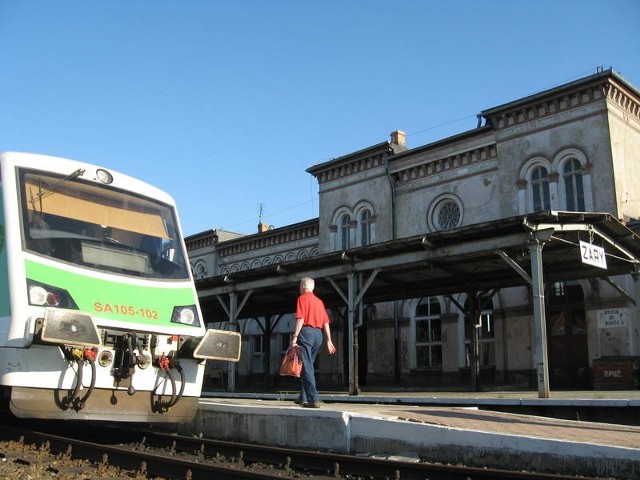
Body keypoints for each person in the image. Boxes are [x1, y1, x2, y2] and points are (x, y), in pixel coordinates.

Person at [291, 277, 336, 408]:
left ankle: (314, 398)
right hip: (318, 335)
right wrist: (329, 340)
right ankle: (303, 397)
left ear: (303, 286)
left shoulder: (302, 299)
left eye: (300, 286)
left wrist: (294, 337)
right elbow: (326, 322)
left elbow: (300, 319)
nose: (299, 288)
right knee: (308, 365)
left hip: (306, 333)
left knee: (306, 367)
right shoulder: (319, 302)